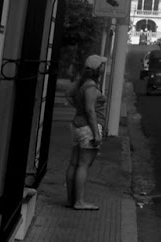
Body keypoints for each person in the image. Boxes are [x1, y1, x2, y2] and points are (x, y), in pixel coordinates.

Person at [66, 54, 107, 211]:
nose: (104, 67)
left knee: (74, 164)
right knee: (83, 165)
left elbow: (68, 94)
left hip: (78, 126)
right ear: (98, 69)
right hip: (88, 129)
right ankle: (79, 201)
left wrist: (78, 107)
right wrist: (96, 133)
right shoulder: (91, 87)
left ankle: (71, 200)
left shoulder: (82, 83)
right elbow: (91, 111)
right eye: (102, 65)